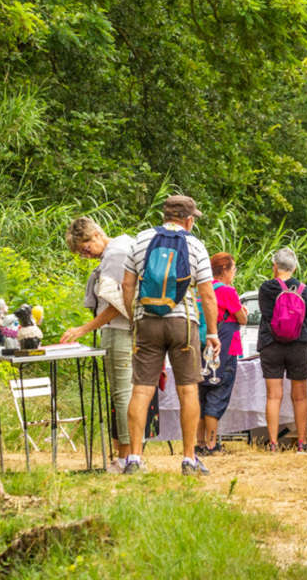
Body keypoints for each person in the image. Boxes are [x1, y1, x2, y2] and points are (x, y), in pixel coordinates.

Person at [122, 195, 219, 475]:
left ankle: (134, 459)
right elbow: (207, 295)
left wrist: (134, 318)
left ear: (164, 215)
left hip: (147, 322)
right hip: (183, 323)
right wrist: (212, 332)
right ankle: (189, 459)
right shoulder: (194, 245)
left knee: (141, 389)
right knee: (188, 389)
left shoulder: (140, 240)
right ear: (188, 220)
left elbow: (127, 285)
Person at [62, 216, 136, 472]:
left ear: (95, 235)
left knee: (122, 393)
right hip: (123, 330)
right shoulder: (123, 245)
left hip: (119, 330)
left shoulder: (115, 254)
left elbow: (117, 303)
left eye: (85, 249)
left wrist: (84, 329)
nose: (86, 255)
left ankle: (127, 457)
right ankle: (126, 453)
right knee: (123, 391)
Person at [257, 247, 307, 453]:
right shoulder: (303, 289)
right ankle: (302, 443)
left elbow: (266, 314)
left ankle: (273, 443)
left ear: (275, 266)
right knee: (300, 396)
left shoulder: (266, 288)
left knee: (274, 396)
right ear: (294, 267)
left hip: (271, 345)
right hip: (298, 346)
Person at [196, 252, 248, 456]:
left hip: (201, 348)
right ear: (224, 270)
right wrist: (242, 310)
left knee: (202, 395)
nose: (234, 273)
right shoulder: (227, 291)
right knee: (218, 394)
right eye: (233, 269)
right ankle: (211, 444)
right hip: (224, 350)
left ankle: (200, 443)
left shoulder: (202, 289)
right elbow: (242, 319)